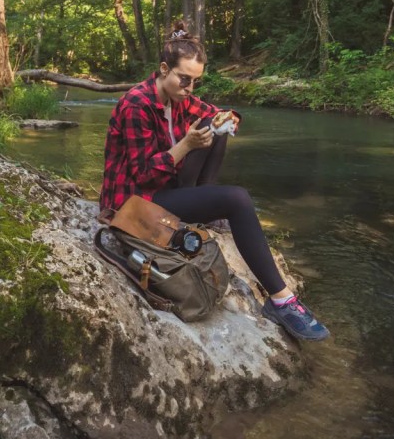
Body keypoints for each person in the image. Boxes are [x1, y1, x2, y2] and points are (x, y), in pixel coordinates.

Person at [100, 22, 330, 341]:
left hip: (163, 190)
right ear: (163, 69)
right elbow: (143, 176)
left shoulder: (179, 97)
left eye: (196, 81)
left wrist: (230, 118)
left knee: (213, 125)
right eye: (184, 79)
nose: (190, 88)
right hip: (135, 204)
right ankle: (281, 301)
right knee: (237, 199)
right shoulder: (137, 104)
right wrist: (186, 145)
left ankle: (204, 204)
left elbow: (216, 111)